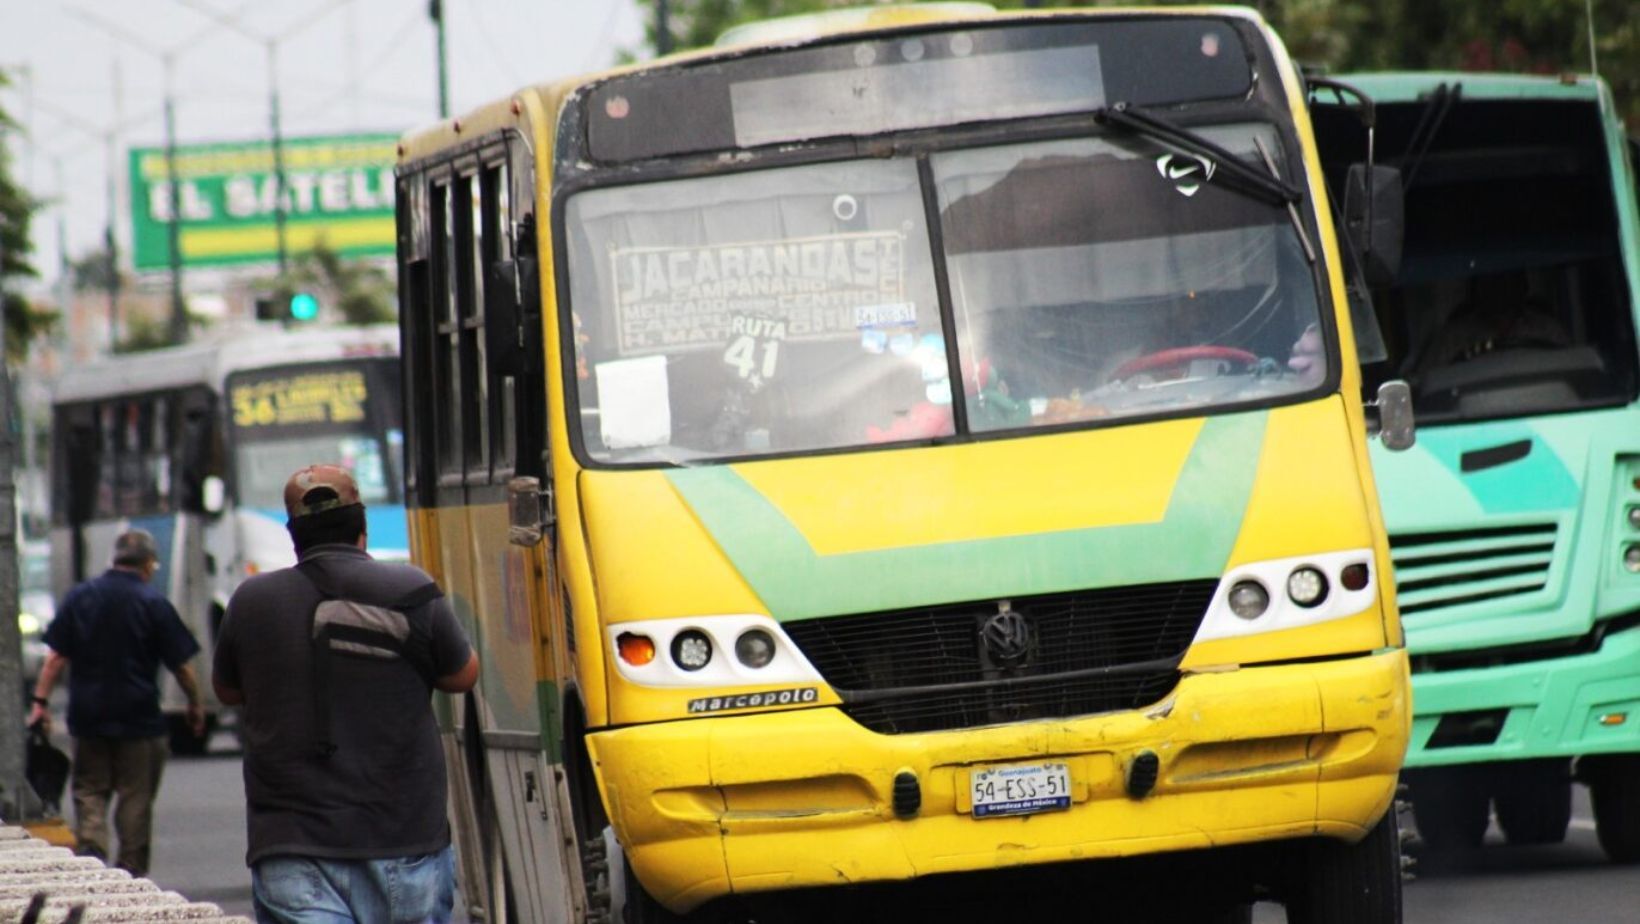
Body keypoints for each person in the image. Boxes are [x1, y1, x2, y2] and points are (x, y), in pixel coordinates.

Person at [213, 464, 480, 924]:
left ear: (293, 535)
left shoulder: (250, 601)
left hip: (291, 846)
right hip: (403, 839)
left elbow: (227, 690)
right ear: (363, 527)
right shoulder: (409, 589)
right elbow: (463, 675)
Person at [26, 528, 206, 876]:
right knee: (134, 795)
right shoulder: (153, 602)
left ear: (115, 559)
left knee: (89, 788)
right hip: (139, 718)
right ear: (149, 565)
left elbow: (54, 659)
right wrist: (194, 704)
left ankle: (92, 847)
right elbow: (182, 667)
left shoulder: (80, 597)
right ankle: (131, 867)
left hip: (88, 715)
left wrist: (40, 703)